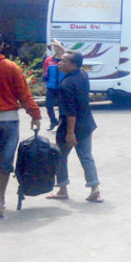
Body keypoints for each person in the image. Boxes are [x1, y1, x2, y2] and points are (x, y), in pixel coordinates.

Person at [0, 30, 42, 218]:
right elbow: (24, 94)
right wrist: (35, 115)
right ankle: (1, 200)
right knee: (4, 163)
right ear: (1, 46)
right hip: (9, 119)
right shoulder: (11, 67)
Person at [46, 51, 103, 202]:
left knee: (60, 156)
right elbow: (74, 58)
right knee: (86, 156)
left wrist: (70, 133)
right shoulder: (83, 75)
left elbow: (71, 111)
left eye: (64, 61)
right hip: (86, 124)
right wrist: (61, 49)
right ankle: (95, 187)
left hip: (70, 126)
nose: (60, 63)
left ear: (73, 65)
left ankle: (62, 189)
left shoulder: (66, 84)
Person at [42, 41, 65, 131]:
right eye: (54, 47)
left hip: (62, 87)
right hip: (51, 86)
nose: (56, 49)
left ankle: (61, 123)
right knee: (48, 106)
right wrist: (44, 84)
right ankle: (53, 121)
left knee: (62, 107)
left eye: (58, 47)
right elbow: (45, 73)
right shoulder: (49, 60)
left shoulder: (65, 60)